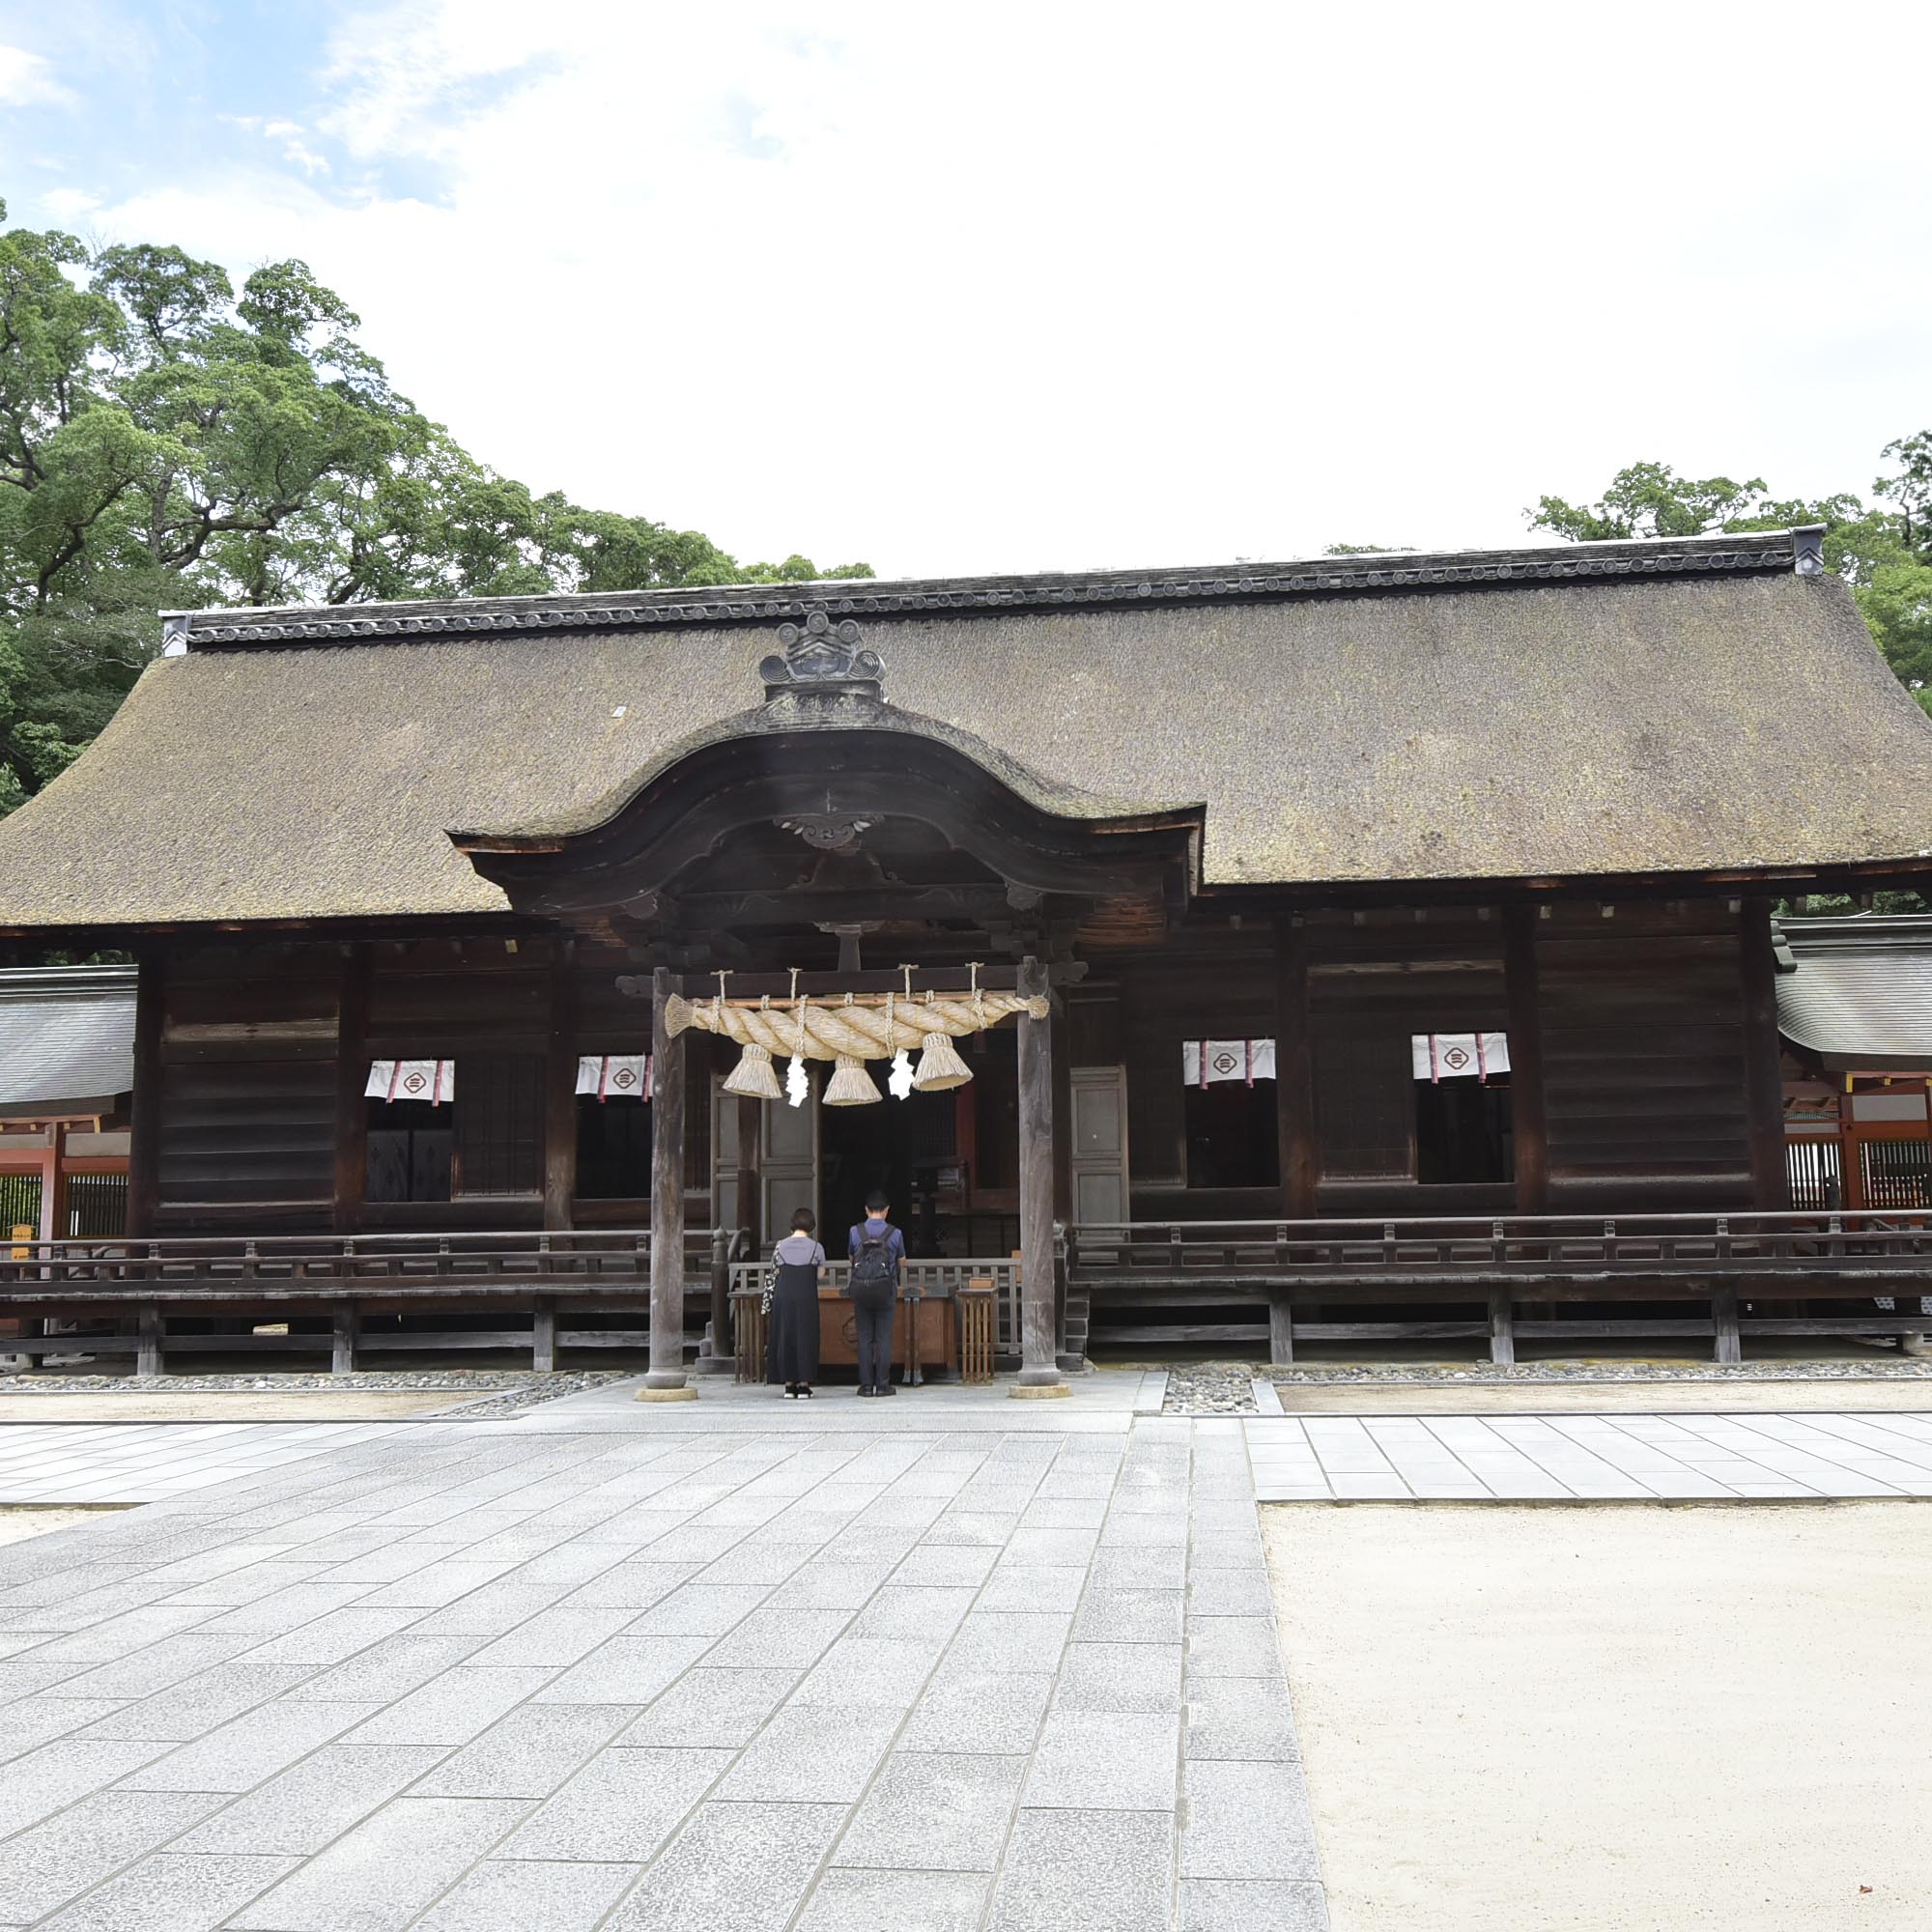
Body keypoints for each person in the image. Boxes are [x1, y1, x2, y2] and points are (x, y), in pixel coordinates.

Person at [847, 1188, 905, 1397]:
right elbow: (902, 1262)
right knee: (882, 1337)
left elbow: (852, 1259)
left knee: (864, 1338)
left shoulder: (855, 1232)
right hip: (885, 1289)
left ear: (866, 1209)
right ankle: (882, 1385)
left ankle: (865, 1386)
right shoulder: (895, 1233)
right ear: (887, 1210)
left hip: (862, 1289)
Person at [765, 1208, 825, 1398]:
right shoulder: (817, 1247)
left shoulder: (780, 1246)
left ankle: (789, 1384)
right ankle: (804, 1385)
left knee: (786, 1336)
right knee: (806, 1337)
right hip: (806, 1296)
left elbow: (773, 1268)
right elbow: (820, 1274)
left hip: (784, 1297)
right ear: (811, 1225)